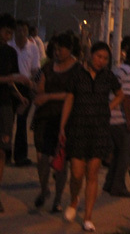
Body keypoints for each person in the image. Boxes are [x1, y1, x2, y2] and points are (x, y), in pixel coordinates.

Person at [59, 41, 124, 232]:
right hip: (78, 128)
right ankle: (74, 200)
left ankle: (88, 216)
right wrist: (62, 126)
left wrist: (108, 108)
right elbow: (69, 99)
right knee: (76, 173)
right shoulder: (77, 74)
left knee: (92, 173)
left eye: (105, 58)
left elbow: (120, 94)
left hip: (99, 129)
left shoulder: (108, 77)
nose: (101, 61)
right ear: (91, 55)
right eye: (98, 56)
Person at [32, 32, 78, 212]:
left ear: (70, 49)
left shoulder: (77, 69)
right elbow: (40, 86)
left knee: (61, 160)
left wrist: (49, 96)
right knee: (42, 158)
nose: (57, 52)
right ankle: (44, 189)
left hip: (64, 118)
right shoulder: (48, 67)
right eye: (55, 49)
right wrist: (38, 91)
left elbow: (72, 95)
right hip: (44, 116)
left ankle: (58, 198)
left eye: (61, 49)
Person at [0, 13, 31, 212]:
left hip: (5, 105)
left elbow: (10, 80)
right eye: (6, 31)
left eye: (10, 32)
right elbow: (9, 78)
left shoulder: (10, 52)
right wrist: (13, 78)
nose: (8, 35)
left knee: (2, 150)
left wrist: (20, 96)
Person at [104, 44, 130, 198]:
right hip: (119, 119)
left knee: (118, 153)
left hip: (113, 118)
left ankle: (110, 183)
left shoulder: (119, 69)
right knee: (126, 153)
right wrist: (129, 120)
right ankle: (118, 186)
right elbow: (125, 97)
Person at [9, 19, 40, 166]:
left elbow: (35, 70)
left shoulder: (33, 48)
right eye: (19, 30)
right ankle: (5, 153)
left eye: (24, 30)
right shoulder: (9, 46)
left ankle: (20, 156)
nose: (21, 33)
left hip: (25, 86)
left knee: (22, 122)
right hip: (9, 86)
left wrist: (33, 86)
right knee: (7, 121)